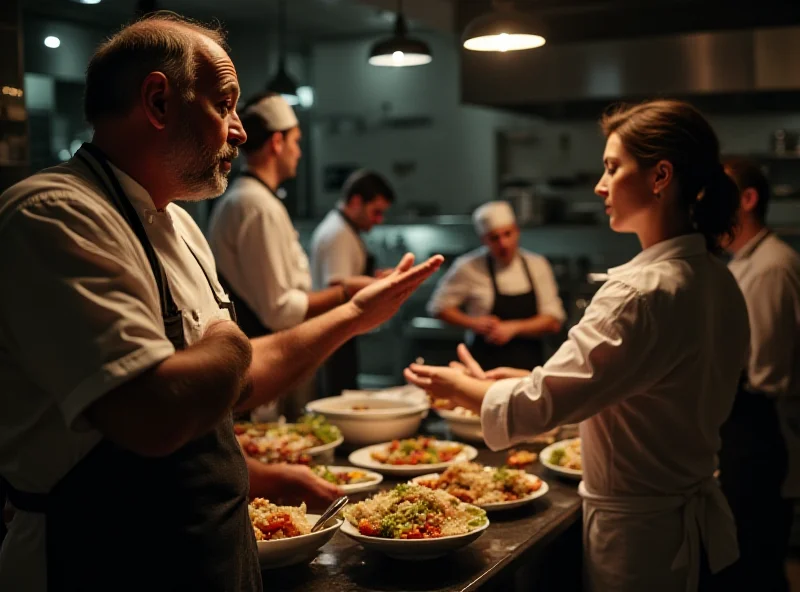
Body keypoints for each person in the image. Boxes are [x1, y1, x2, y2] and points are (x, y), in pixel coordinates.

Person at [0, 13, 442, 591]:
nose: (239, 131)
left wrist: (354, 317)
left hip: (205, 549)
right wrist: (227, 340)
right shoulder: (54, 214)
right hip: (100, 558)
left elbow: (234, 383)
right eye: (225, 104)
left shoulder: (180, 224)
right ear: (159, 102)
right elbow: (154, 413)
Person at [405, 99, 749, 592]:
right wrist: (521, 378)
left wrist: (458, 387)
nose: (600, 185)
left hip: (639, 537)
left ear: (660, 176)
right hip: (687, 520)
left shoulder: (639, 291)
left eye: (612, 168)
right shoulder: (718, 278)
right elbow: (638, 390)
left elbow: (539, 405)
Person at [208, 94, 375, 419]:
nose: (299, 152)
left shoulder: (254, 200)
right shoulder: (255, 205)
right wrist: (347, 294)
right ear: (277, 142)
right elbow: (280, 310)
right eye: (296, 141)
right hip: (260, 364)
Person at [718, 157, 800, 592]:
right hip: (743, 428)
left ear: (747, 199)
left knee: (757, 562)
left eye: (719, 192)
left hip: (760, 433)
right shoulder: (742, 261)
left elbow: (765, 373)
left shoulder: (772, 265)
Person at [427, 200, 566, 370]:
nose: (503, 244)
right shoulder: (468, 267)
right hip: (482, 366)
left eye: (508, 234)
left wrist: (513, 328)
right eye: (494, 238)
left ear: (517, 231)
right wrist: (473, 323)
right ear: (484, 240)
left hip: (528, 368)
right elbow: (438, 307)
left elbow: (553, 320)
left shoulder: (537, 265)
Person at [309, 169, 394, 395]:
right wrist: (378, 285)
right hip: (332, 335)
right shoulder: (338, 233)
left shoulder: (344, 229)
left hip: (339, 333)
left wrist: (374, 281)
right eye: (376, 212)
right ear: (356, 201)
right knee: (336, 399)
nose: (379, 220)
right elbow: (337, 289)